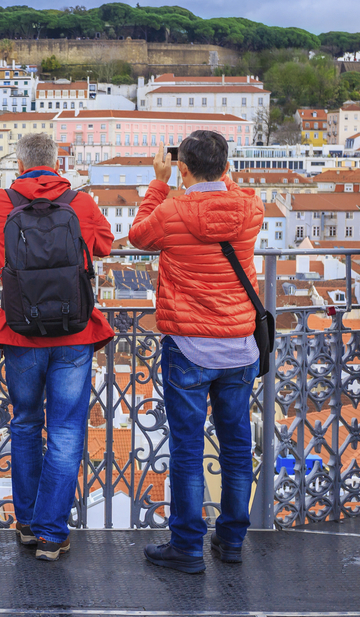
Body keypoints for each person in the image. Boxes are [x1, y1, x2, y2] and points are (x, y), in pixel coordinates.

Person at [0, 132, 114, 562]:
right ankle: (51, 532)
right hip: (73, 332)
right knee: (65, 429)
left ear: (21, 165)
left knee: (25, 422)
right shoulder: (80, 203)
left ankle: (27, 524)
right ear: (57, 163)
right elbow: (105, 244)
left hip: (20, 331)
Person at [129, 130, 264, 575]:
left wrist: (160, 183)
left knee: (187, 449)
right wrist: (222, 179)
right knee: (237, 446)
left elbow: (137, 236)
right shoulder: (250, 207)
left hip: (188, 344)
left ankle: (187, 546)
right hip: (240, 345)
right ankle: (231, 541)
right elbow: (238, 194)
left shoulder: (172, 208)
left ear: (182, 167)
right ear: (226, 167)